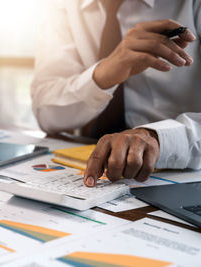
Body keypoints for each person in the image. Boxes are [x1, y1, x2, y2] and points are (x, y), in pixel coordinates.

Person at [31, 0, 200, 187]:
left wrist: (160, 139)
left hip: (183, 177)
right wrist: (103, 74)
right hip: (95, 175)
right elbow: (47, 113)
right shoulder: (62, 6)